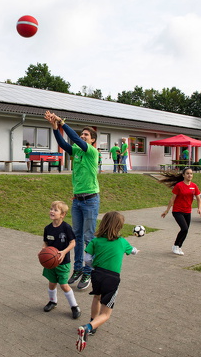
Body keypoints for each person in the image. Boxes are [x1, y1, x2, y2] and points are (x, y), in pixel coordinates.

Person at [44, 111, 99, 291]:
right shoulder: (77, 151)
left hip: (90, 200)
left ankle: (88, 271)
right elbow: (62, 143)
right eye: (82, 134)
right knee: (76, 237)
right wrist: (55, 128)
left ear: (92, 141)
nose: (83, 136)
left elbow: (74, 139)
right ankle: (77, 269)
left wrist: (62, 122)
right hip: (77, 201)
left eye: (86, 135)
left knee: (89, 236)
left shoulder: (91, 152)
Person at [75, 211, 139, 352]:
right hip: (112, 278)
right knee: (106, 313)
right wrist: (136, 250)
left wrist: (93, 265)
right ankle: (88, 328)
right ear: (119, 227)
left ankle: (93, 322)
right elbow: (133, 251)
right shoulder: (122, 242)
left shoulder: (95, 241)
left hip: (97, 274)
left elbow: (86, 259)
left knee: (97, 297)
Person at [41, 201, 81, 319]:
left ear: (62, 214)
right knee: (52, 283)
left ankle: (74, 306)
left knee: (63, 285)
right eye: (51, 209)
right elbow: (46, 242)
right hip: (50, 263)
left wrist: (64, 252)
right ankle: (52, 301)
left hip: (63, 262)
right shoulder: (47, 228)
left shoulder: (66, 228)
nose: (52, 211)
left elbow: (73, 243)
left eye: (55, 210)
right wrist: (43, 250)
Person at [160, 167, 201, 255]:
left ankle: (179, 247)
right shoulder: (179, 185)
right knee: (184, 228)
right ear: (183, 175)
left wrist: (199, 208)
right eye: (187, 173)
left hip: (188, 211)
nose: (189, 175)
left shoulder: (194, 186)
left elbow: (198, 198)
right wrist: (167, 210)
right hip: (177, 211)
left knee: (186, 230)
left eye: (191, 173)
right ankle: (175, 245)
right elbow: (172, 199)